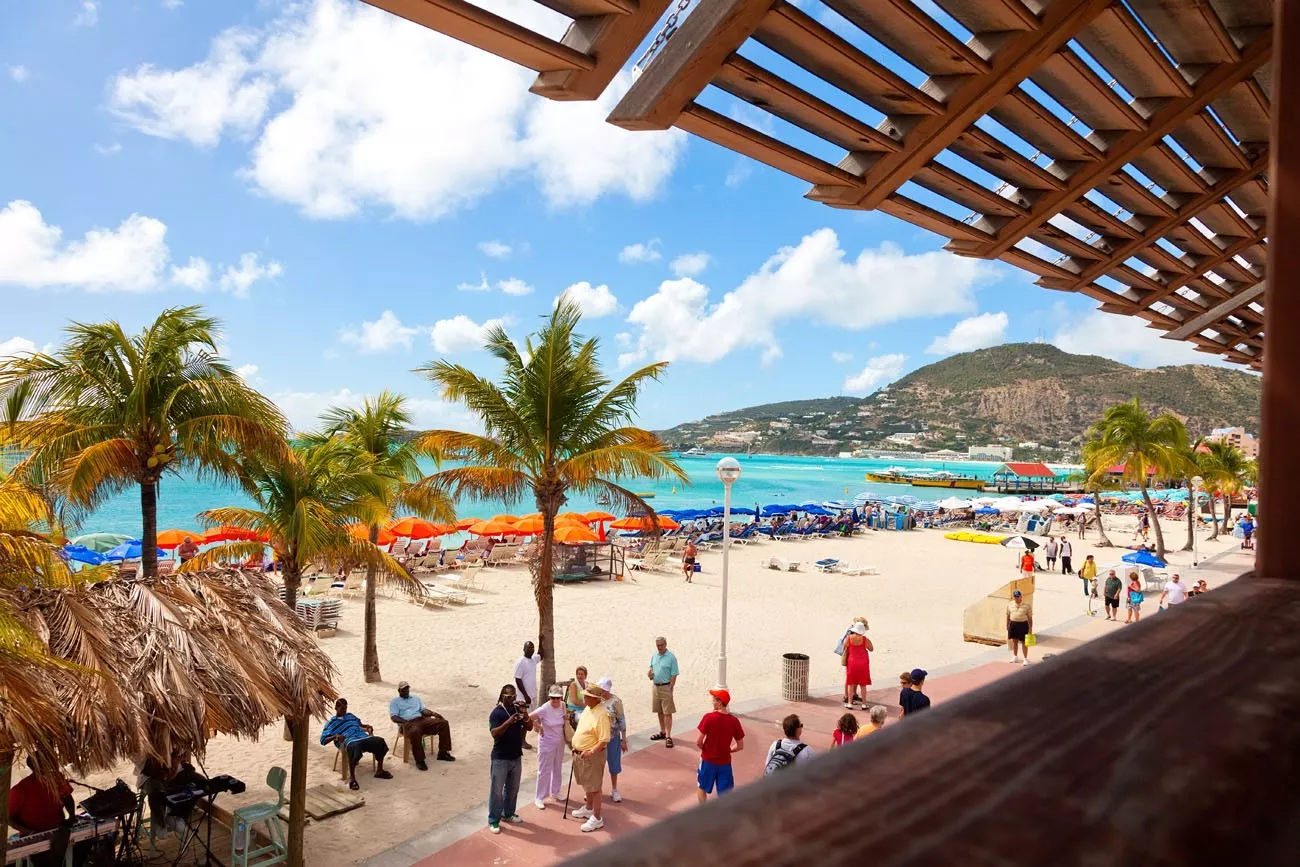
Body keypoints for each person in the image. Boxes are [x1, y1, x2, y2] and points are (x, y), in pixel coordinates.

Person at [10, 757, 75, 864]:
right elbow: (8, 817)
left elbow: (68, 798)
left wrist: (72, 816)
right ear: (33, 767)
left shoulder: (57, 779)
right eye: (41, 764)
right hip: (32, 834)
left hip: (57, 830)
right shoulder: (21, 789)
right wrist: (28, 831)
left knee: (82, 845)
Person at [486, 684, 533, 833]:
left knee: (513, 789)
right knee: (497, 792)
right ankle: (494, 820)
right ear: (501, 697)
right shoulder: (496, 713)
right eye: (508, 697)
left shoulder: (516, 710)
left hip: (515, 756)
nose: (512, 699)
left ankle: (508, 813)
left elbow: (530, 727)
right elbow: (494, 733)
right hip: (500, 758)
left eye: (513, 697)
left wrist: (524, 714)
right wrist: (508, 722)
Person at [320, 698, 392, 790]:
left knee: (379, 741)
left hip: (362, 736)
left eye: (345, 708)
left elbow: (361, 726)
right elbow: (323, 740)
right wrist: (335, 737)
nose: (344, 711)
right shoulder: (331, 723)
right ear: (336, 708)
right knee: (355, 747)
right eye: (342, 709)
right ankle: (352, 778)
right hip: (349, 740)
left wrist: (368, 727)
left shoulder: (350, 716)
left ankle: (379, 770)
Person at [570, 686, 611, 833]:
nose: (584, 698)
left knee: (594, 787)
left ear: (595, 698)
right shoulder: (589, 708)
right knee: (587, 784)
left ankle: (597, 818)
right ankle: (588, 808)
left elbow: (604, 740)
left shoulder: (602, 715)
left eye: (587, 696)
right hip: (581, 753)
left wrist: (591, 751)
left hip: (592, 756)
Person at [388, 681, 455, 770]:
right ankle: (419, 760)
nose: (406, 691)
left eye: (407, 688)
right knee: (415, 731)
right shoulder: (395, 702)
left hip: (421, 720)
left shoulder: (415, 698)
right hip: (407, 723)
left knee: (443, 723)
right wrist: (405, 722)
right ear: (399, 691)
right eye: (404, 689)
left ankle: (443, 753)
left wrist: (433, 713)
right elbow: (393, 717)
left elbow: (423, 710)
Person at [696, 688, 744, 802]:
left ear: (719, 702)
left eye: (713, 700)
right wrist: (728, 750)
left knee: (702, 787)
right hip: (725, 762)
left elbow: (698, 742)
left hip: (708, 760)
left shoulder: (708, 718)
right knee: (725, 794)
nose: (712, 702)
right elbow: (740, 746)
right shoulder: (734, 721)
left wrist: (706, 749)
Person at [529, 683, 567, 810]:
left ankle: (555, 791)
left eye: (558, 697)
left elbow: (565, 720)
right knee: (544, 769)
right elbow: (528, 718)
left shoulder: (563, 706)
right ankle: (539, 797)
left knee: (557, 767)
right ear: (549, 697)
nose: (555, 700)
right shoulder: (544, 708)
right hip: (546, 742)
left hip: (560, 742)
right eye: (553, 697)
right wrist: (539, 727)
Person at [593, 676, 628, 803]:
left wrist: (623, 740)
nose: (603, 691)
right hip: (599, 738)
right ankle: (596, 790)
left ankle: (614, 789)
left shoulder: (616, 702)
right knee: (598, 765)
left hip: (612, 738)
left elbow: (622, 722)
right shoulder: (596, 701)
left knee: (614, 764)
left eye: (604, 689)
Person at [647, 636, 679, 748]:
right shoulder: (654, 656)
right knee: (659, 711)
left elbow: (674, 674)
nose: (659, 647)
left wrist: (671, 687)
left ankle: (668, 736)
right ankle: (662, 732)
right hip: (655, 687)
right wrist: (649, 674)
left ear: (665, 644)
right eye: (658, 645)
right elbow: (651, 669)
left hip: (666, 687)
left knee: (667, 713)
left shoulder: (671, 658)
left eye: (661, 645)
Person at [513, 641, 542, 750]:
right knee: (523, 718)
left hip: (532, 695)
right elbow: (518, 679)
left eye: (532, 648)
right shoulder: (521, 662)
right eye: (529, 648)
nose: (531, 650)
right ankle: (521, 740)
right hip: (523, 697)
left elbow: (541, 654)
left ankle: (522, 739)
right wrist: (525, 695)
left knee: (528, 718)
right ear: (524, 649)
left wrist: (541, 641)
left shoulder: (533, 660)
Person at [841, 621, 873, 709]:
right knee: (863, 685)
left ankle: (850, 703)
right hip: (863, 663)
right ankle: (864, 704)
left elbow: (844, 647)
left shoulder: (849, 638)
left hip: (852, 662)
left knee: (851, 683)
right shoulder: (865, 639)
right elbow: (871, 649)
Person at [1006, 589, 1033, 664]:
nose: (1016, 598)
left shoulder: (1027, 605)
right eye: (1015, 596)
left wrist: (1030, 628)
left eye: (1018, 596)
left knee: (1024, 642)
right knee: (1014, 641)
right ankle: (1015, 657)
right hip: (1013, 624)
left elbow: (1030, 618)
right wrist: (1007, 625)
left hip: (1023, 625)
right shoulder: (1010, 604)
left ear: (1021, 597)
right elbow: (1008, 615)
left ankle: (1025, 658)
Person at [565, 665, 590, 730]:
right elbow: (575, 701)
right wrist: (587, 706)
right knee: (584, 720)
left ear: (585, 676)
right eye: (578, 674)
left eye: (582, 674)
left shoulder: (587, 684)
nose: (579, 676)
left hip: (585, 709)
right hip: (574, 710)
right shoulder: (574, 685)